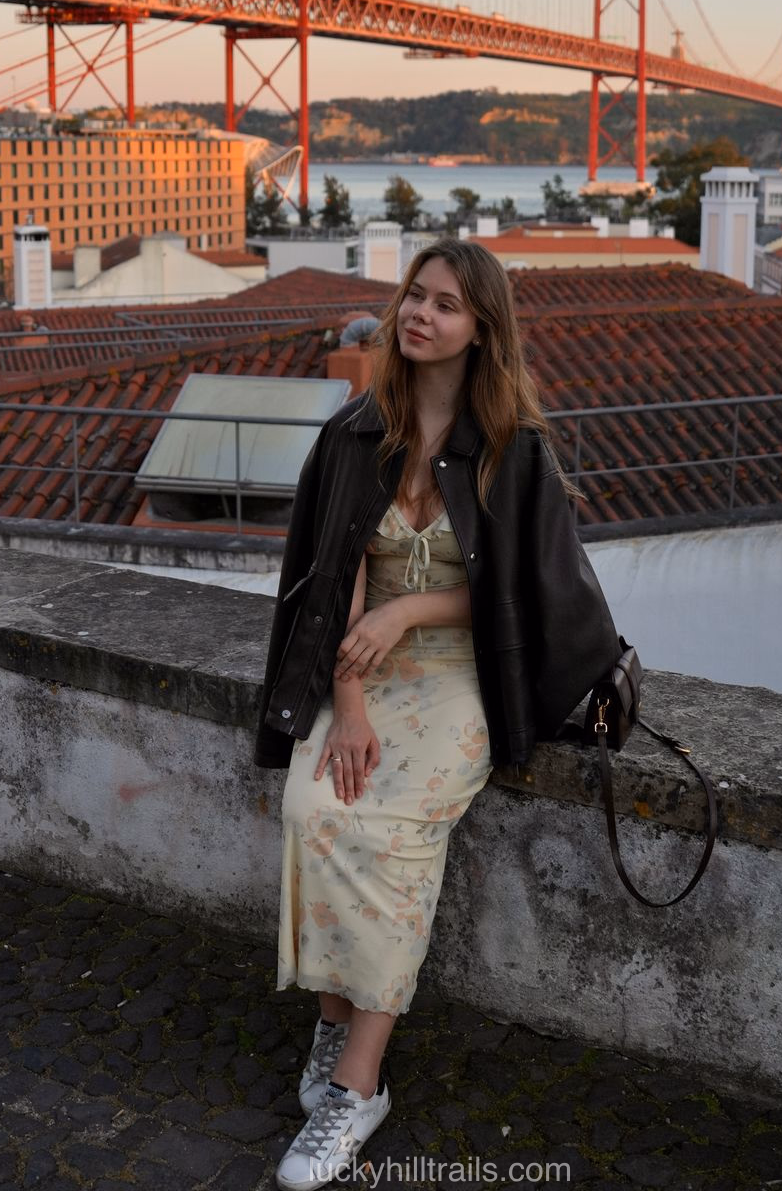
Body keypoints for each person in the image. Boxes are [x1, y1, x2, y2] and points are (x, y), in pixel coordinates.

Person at [254, 238, 621, 1189]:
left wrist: (412, 607)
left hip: (465, 669)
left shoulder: (515, 450)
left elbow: (522, 595)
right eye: (413, 296)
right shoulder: (352, 434)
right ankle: (334, 1025)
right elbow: (326, 581)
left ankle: (359, 1085)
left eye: (446, 304)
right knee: (315, 808)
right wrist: (347, 698)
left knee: (392, 826)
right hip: (360, 665)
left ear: (481, 328)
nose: (419, 315)